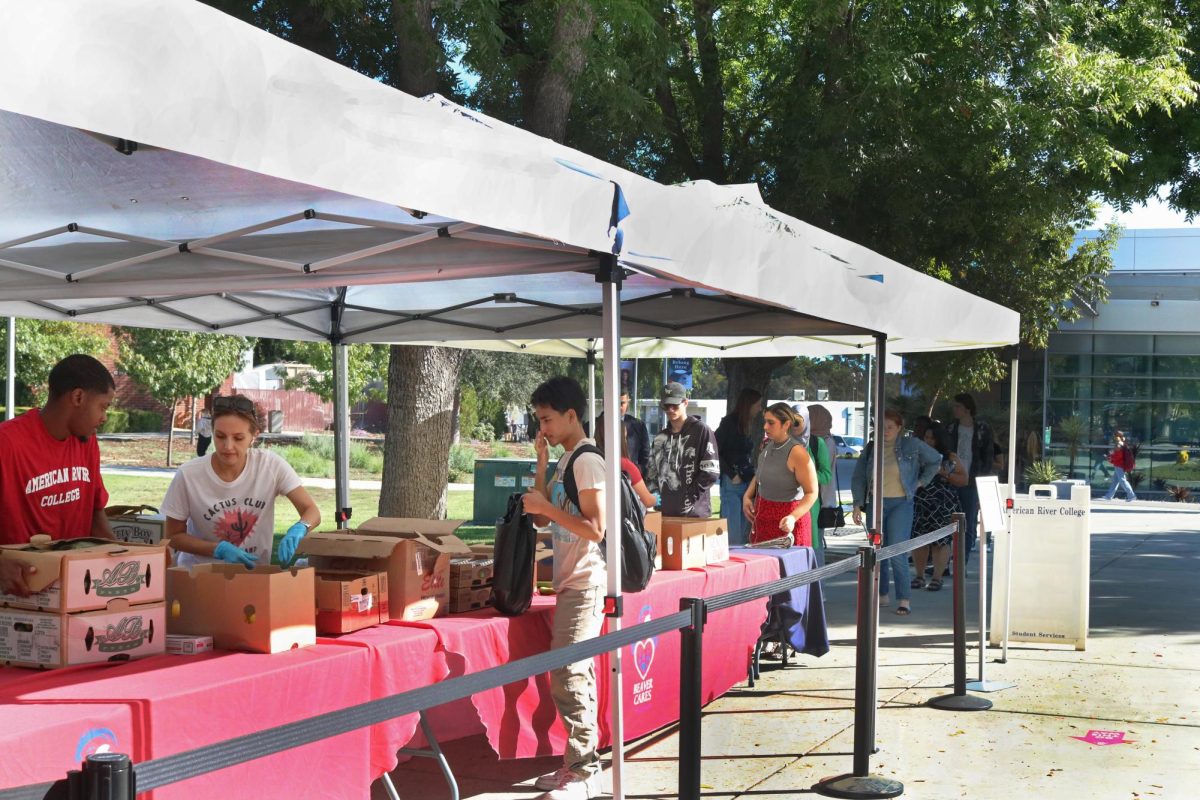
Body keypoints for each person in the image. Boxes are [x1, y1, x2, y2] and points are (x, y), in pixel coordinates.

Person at [520, 376, 606, 800]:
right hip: (570, 582)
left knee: (569, 672)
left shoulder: (587, 460)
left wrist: (548, 507)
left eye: (548, 419)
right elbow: (540, 519)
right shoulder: (565, 459)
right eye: (539, 420)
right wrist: (540, 464)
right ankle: (582, 765)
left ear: (572, 415)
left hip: (586, 582)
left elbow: (595, 528)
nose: (544, 429)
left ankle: (584, 770)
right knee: (575, 672)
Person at [161, 394, 320, 568]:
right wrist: (216, 549)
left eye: (238, 438)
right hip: (199, 576)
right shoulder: (189, 474)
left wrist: (300, 527)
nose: (228, 446)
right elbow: (174, 536)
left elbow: (311, 510)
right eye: (220, 436)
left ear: (254, 436)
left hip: (254, 575)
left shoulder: (270, 466)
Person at [0, 354, 116, 549]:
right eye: (103, 407)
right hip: (21, 575)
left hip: (74, 574)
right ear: (78, 397)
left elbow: (95, 511)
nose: (104, 418)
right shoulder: (7, 442)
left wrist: (121, 556)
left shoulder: (86, 441)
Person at [851, 409, 942, 616]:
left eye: (890, 427)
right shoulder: (872, 448)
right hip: (876, 502)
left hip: (901, 503)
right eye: (881, 427)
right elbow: (858, 477)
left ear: (900, 427)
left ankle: (904, 598)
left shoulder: (912, 444)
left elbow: (936, 459)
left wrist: (920, 482)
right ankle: (881, 594)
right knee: (877, 550)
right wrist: (857, 504)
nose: (885, 431)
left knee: (897, 551)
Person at [742, 403, 819, 546]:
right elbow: (760, 473)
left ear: (786, 424)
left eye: (771, 423)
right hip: (763, 520)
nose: (765, 427)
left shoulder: (798, 452)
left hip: (788, 523)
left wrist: (792, 517)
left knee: (790, 568)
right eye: (765, 421)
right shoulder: (767, 445)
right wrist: (747, 495)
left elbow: (812, 492)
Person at [645, 382, 720, 517]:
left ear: (685, 402)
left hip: (695, 514)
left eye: (674, 404)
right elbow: (651, 473)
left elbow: (711, 471)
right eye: (666, 405)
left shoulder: (702, 430)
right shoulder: (659, 438)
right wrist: (656, 500)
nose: (670, 409)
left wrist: (690, 496)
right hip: (664, 513)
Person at [910, 426, 966, 591]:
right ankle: (919, 576)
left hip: (943, 503)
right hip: (921, 501)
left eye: (931, 438)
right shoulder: (917, 455)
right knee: (919, 539)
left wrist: (944, 473)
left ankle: (937, 577)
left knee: (940, 541)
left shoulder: (950, 457)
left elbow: (964, 479)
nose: (928, 441)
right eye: (926, 437)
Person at [945, 393, 994, 564]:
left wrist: (983, 480)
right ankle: (944, 562)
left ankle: (961, 563)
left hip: (972, 482)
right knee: (947, 521)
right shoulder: (951, 427)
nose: (955, 409)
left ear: (967, 408)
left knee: (968, 521)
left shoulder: (981, 429)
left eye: (957, 406)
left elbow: (988, 457)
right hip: (951, 479)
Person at [715, 388, 762, 545]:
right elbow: (714, 450)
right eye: (757, 405)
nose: (760, 409)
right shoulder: (729, 423)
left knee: (743, 533)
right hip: (732, 482)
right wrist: (730, 474)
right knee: (732, 534)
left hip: (746, 481)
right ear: (749, 404)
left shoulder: (747, 424)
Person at [793, 405, 833, 564]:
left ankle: (817, 588)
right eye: (792, 419)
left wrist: (805, 475)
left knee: (812, 549)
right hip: (784, 502)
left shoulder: (818, 444)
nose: (795, 424)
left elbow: (826, 476)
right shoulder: (781, 442)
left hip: (810, 504)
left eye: (799, 420)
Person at [595, 416, 656, 510]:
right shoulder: (625, 465)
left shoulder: (594, 460)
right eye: (625, 437)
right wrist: (656, 498)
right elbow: (648, 501)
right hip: (620, 521)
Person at [808, 404, 839, 566]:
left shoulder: (824, 442)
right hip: (819, 498)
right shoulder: (821, 440)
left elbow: (824, 474)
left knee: (815, 543)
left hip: (819, 500)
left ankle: (817, 583)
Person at [591, 391, 650, 475]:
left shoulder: (639, 426)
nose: (617, 407)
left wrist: (634, 471)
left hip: (631, 480)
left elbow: (646, 458)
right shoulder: (591, 426)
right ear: (604, 403)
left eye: (622, 403)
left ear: (628, 404)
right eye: (613, 402)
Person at [1102, 431, 1137, 502]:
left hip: (1119, 465)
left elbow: (1117, 456)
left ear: (1117, 436)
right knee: (1115, 481)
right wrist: (1111, 457)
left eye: (1115, 435)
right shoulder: (1122, 444)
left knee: (1122, 480)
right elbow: (1117, 455)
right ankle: (1109, 496)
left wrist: (1109, 458)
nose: (1114, 437)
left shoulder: (1119, 445)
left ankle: (1131, 495)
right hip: (1119, 465)